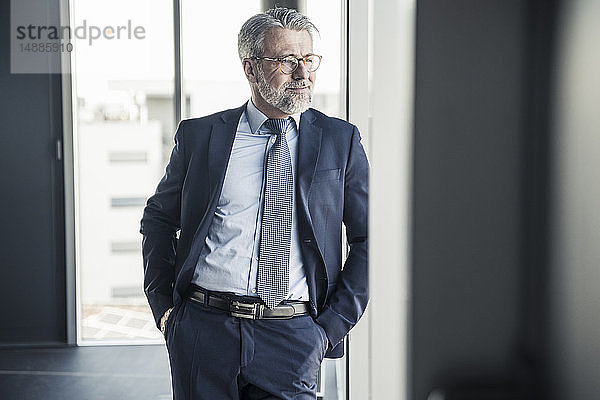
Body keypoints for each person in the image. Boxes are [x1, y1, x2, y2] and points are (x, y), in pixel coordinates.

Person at [140, 7, 368, 400]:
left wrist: (329, 327)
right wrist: (165, 306)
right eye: (286, 61)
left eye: (308, 59)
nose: (303, 73)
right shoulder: (200, 136)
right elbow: (159, 219)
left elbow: (371, 240)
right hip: (203, 330)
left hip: (293, 335)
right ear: (250, 69)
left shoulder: (339, 140)